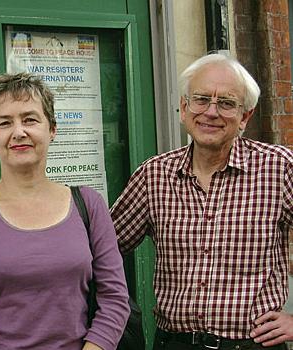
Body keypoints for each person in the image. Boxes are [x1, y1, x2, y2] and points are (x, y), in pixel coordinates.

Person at [110, 53, 293, 350]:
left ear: (245, 116)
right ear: (184, 108)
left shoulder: (279, 169)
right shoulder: (154, 175)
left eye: (226, 103)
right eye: (201, 99)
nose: (211, 112)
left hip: (251, 344)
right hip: (174, 343)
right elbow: (101, 249)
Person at [0, 72, 129, 350]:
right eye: (5, 123)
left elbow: (114, 298)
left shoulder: (88, 205)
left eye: (30, 119)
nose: (19, 132)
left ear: (52, 129)